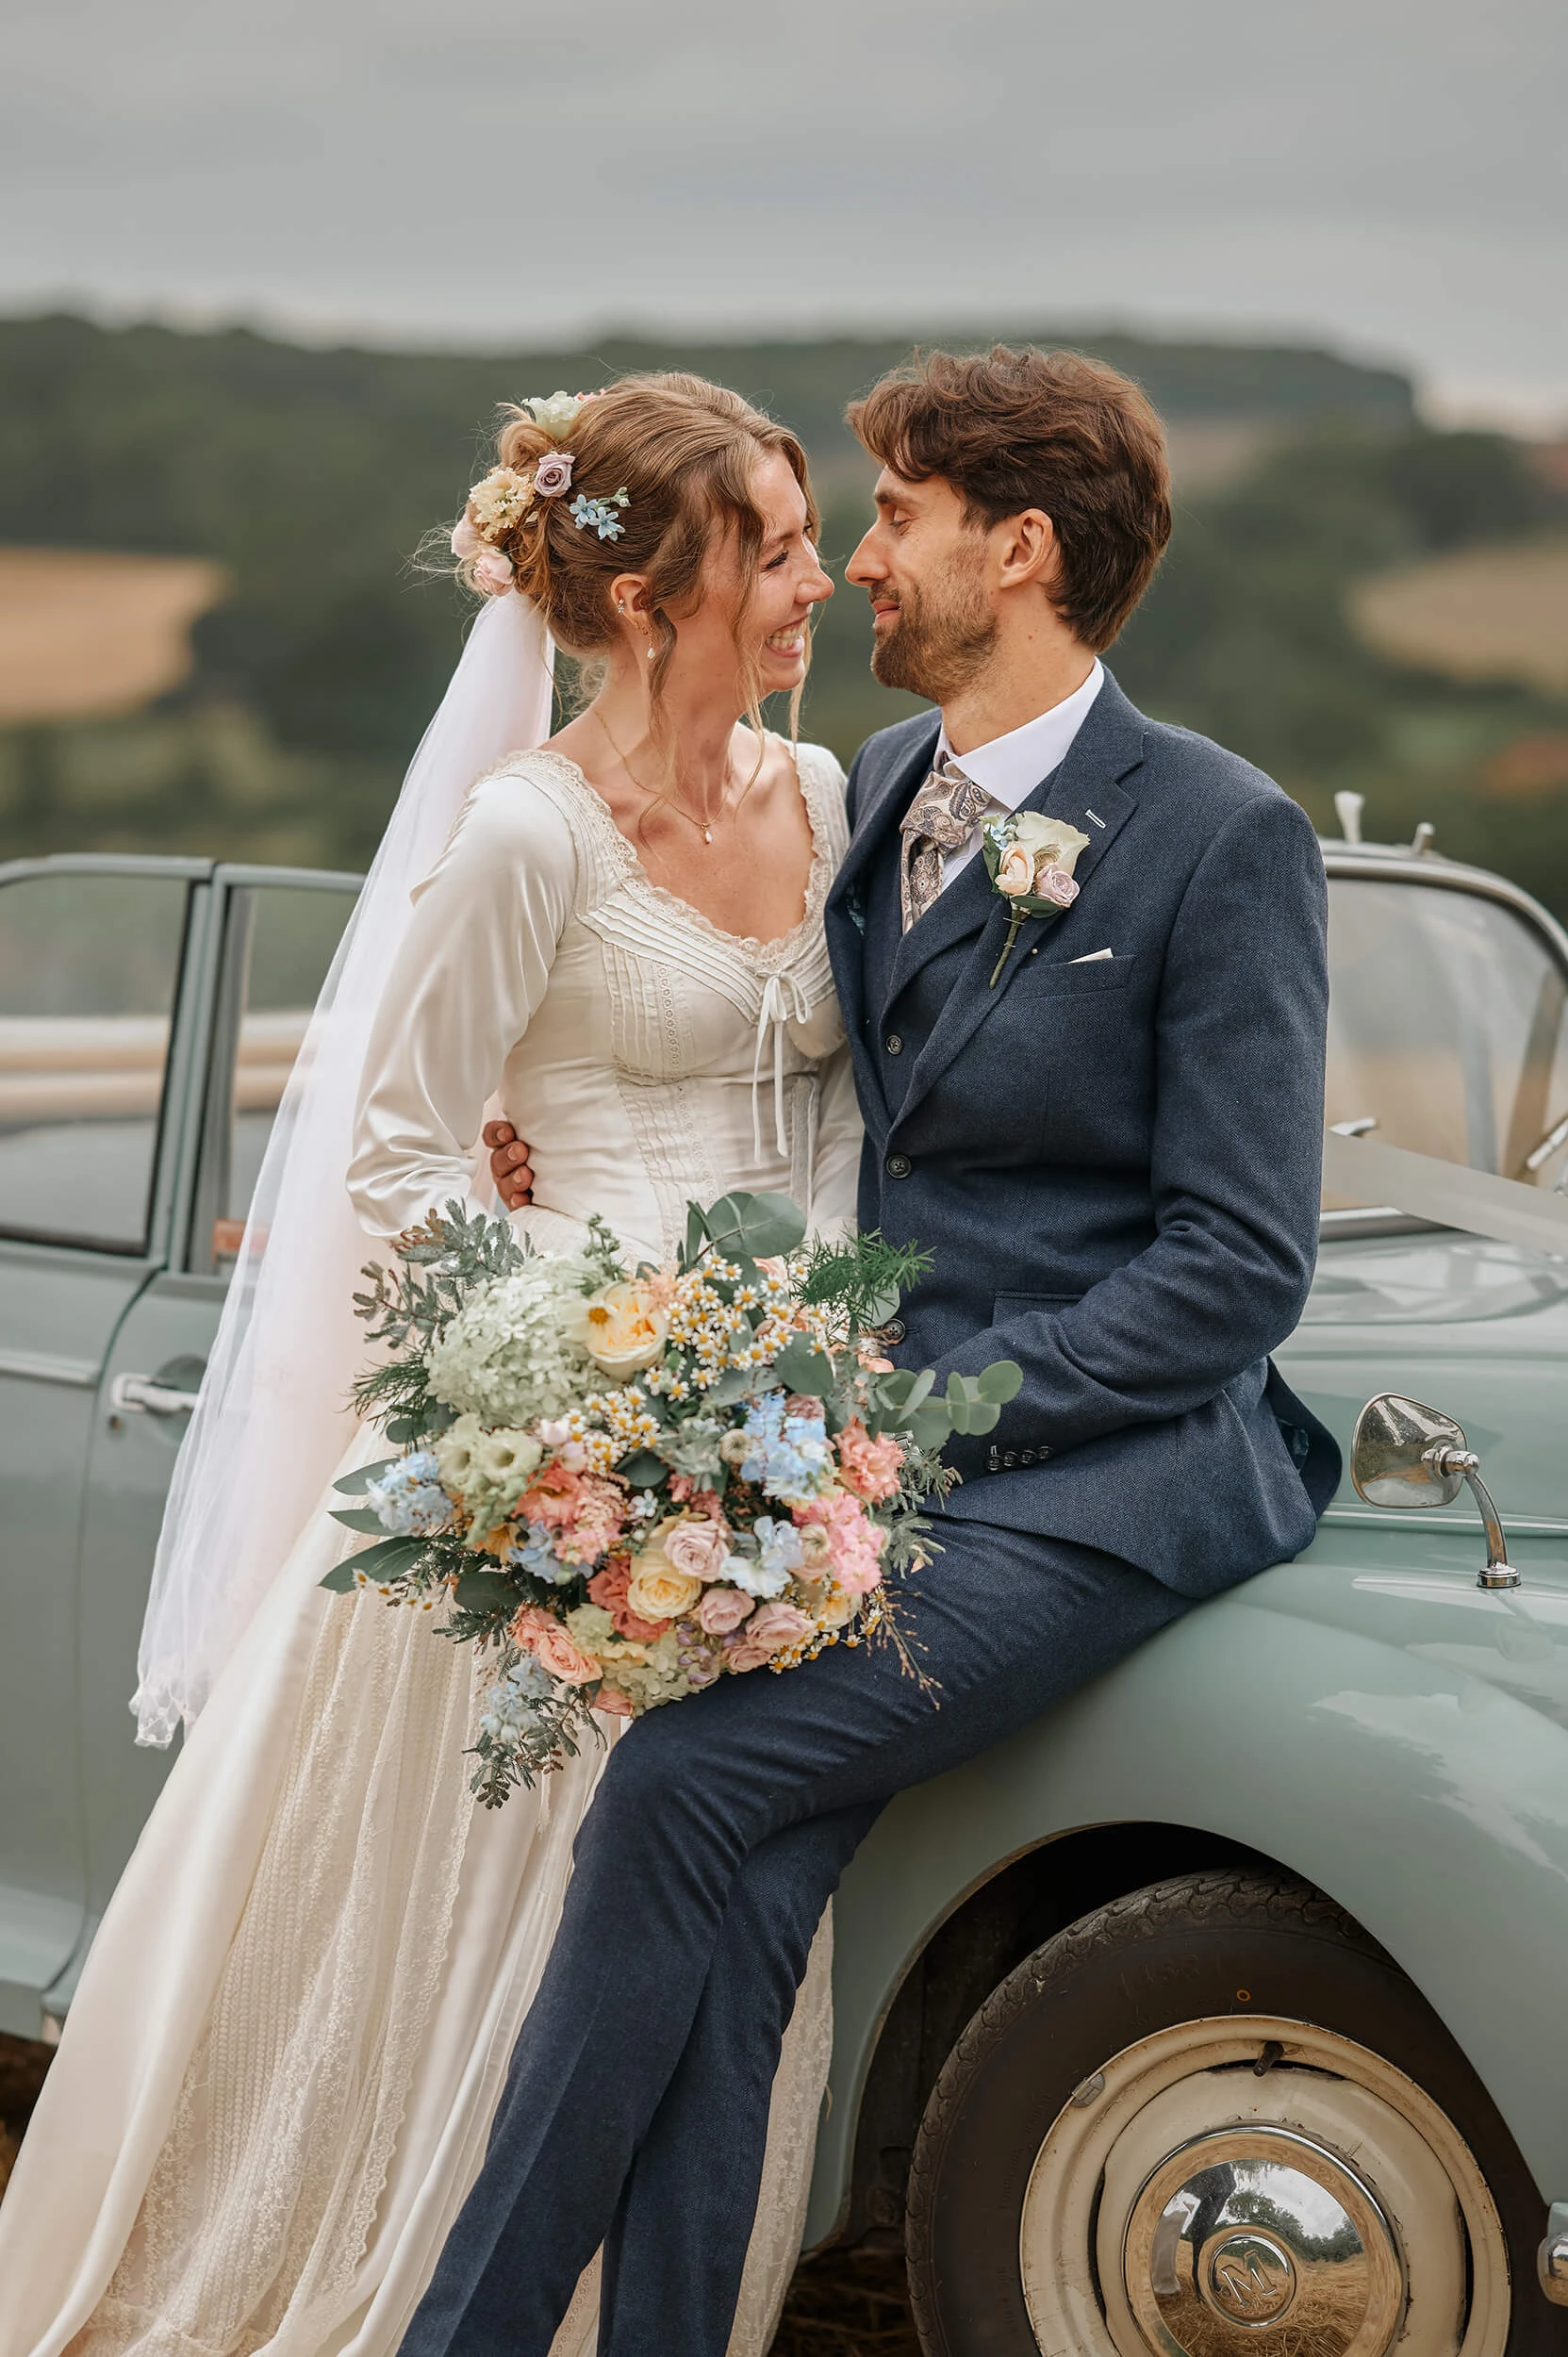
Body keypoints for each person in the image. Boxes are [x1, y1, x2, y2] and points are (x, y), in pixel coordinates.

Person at [415, 343, 1342, 2357]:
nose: (857, 571)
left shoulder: (1218, 832)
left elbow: (1240, 1265)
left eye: (896, 520)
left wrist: (908, 1426)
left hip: (1107, 1476)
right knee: (738, 1896)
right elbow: (772, 1068)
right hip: (840, 1455)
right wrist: (534, 1146)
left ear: (1017, 550)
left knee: (677, 1785)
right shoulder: (885, 790)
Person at [0, 374, 859, 2357]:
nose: (817, 582)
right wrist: (570, 1370)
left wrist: (799, 1339)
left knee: (701, 1918)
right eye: (779, 545)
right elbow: (396, 1145)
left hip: (783, 1430)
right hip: (556, 1442)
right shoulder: (524, 833)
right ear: (657, 593)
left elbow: (833, 1111)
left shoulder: (820, 798)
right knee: (474, 1916)